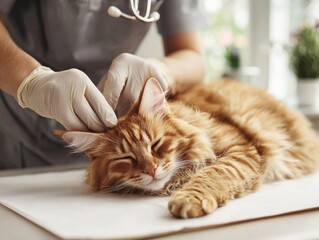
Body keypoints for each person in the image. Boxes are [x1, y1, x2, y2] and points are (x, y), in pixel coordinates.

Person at [0, 0, 207, 169]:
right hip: (20, 128)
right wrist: (31, 82)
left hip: (120, 143)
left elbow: (192, 56)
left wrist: (162, 70)